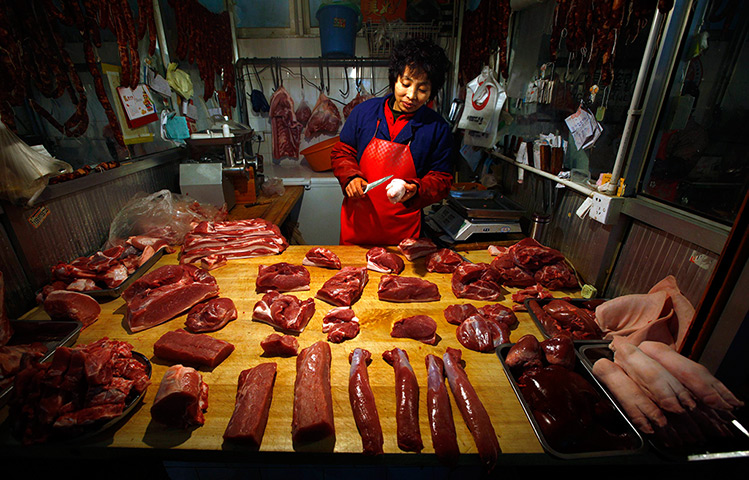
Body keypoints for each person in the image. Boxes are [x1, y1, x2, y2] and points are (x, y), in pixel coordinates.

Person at [330, 37, 454, 245]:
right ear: (394, 79)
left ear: (432, 92)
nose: (411, 95)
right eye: (405, 84)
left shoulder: (437, 128)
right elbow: (342, 152)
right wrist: (350, 177)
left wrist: (416, 189)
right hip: (357, 230)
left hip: (404, 237)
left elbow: (442, 179)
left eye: (422, 90)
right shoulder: (364, 113)